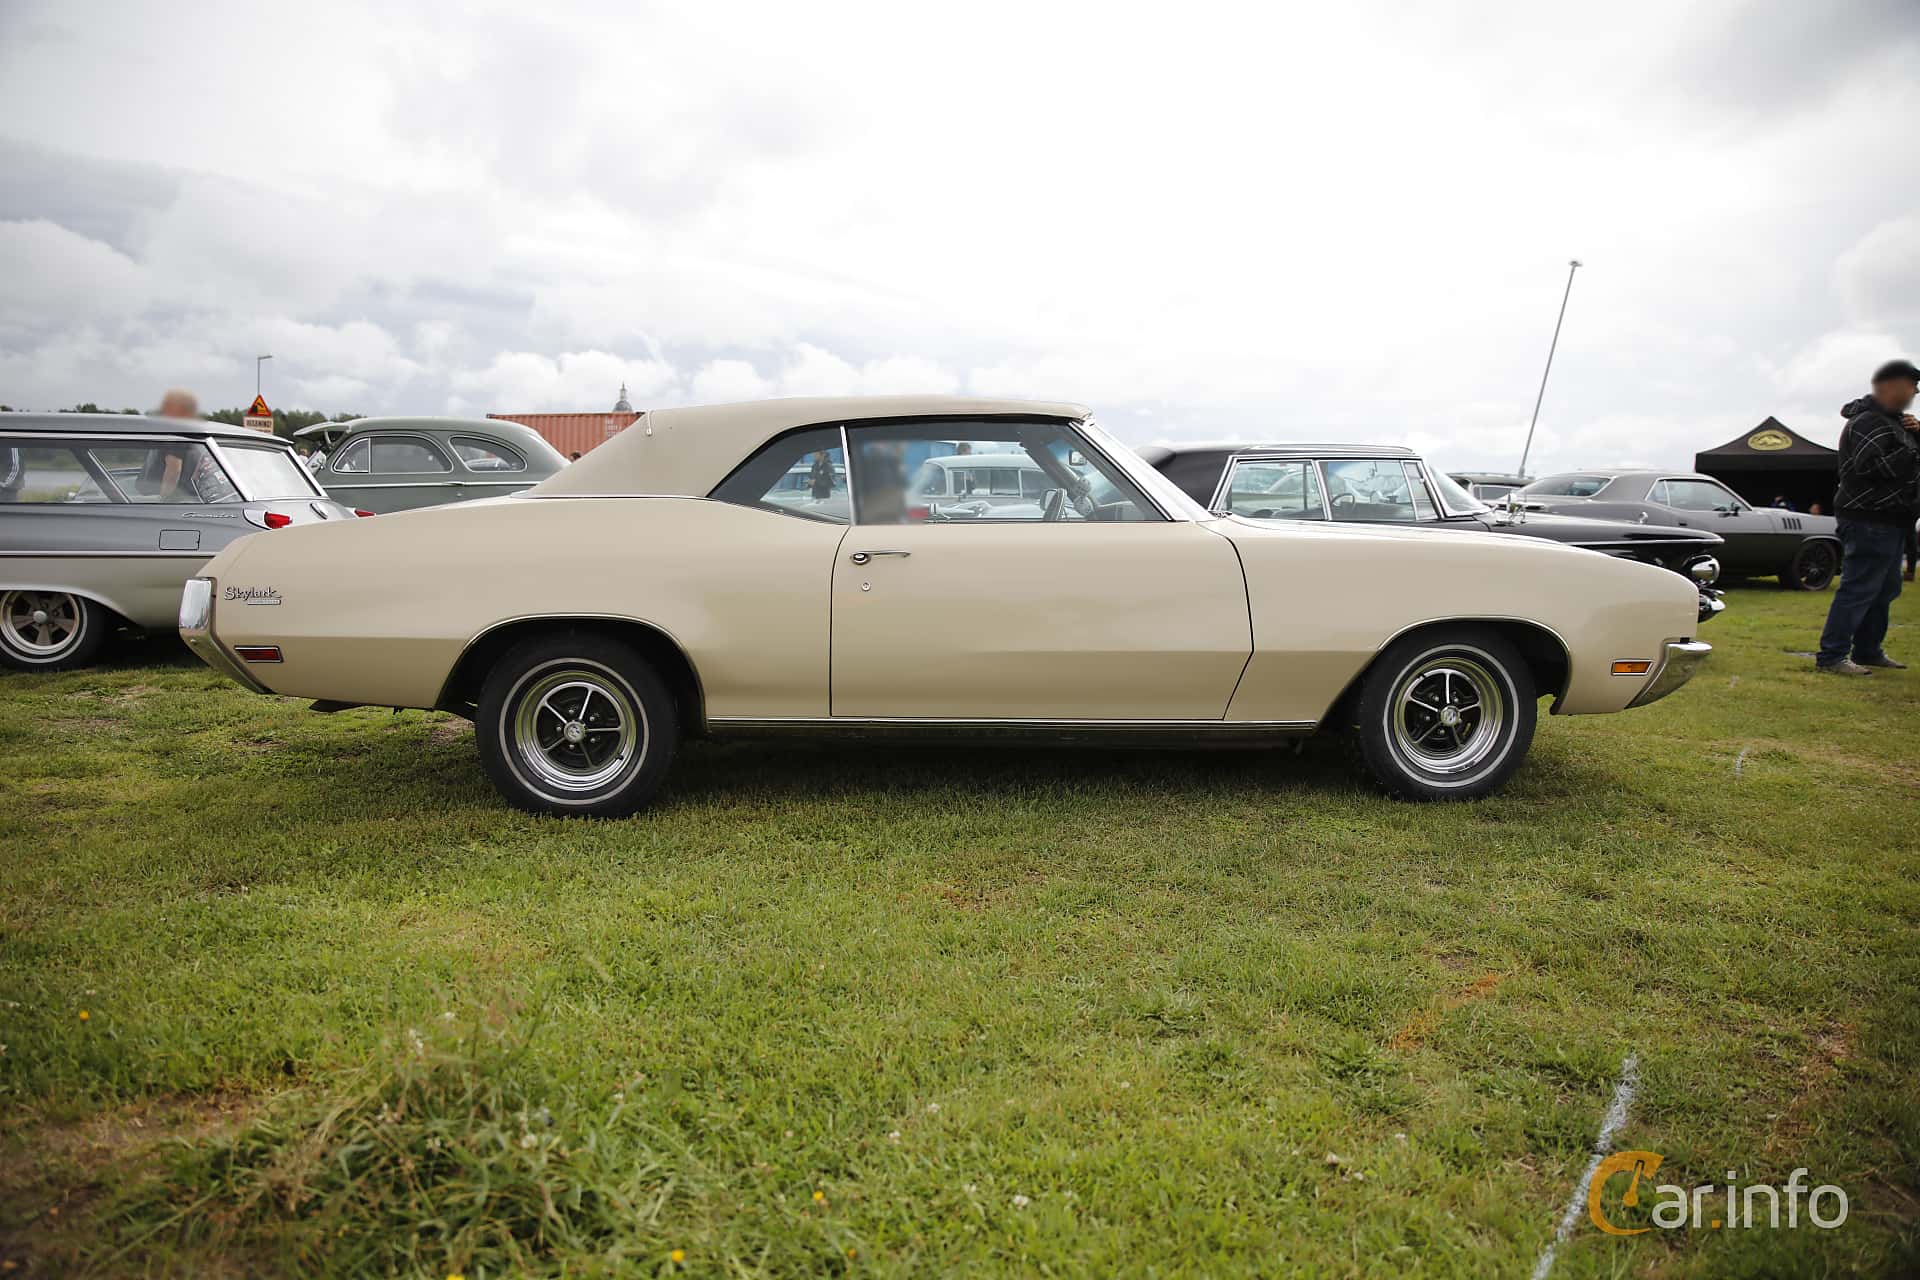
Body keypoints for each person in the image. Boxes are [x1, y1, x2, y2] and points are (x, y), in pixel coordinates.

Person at [1815, 359, 1920, 674]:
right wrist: (1912, 449)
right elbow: (1872, 467)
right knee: (1859, 588)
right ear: (1891, 387)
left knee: (1885, 589)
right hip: (1869, 518)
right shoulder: (1869, 422)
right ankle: (1832, 657)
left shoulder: (1894, 423)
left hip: (1892, 519)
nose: (1915, 392)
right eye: (1911, 385)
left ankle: (1868, 650)